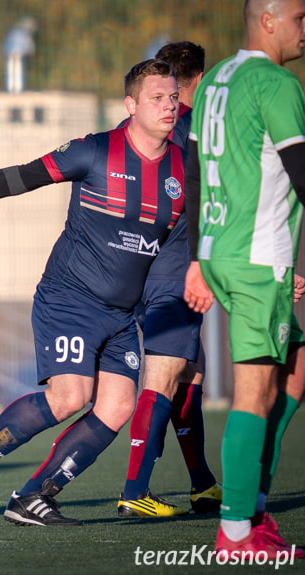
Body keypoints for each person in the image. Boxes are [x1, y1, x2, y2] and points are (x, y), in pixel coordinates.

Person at [0, 59, 183, 526]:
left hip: (123, 313)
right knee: (71, 397)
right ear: (130, 105)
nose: (168, 105)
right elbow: (19, 177)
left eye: (173, 97)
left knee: (118, 406)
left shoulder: (181, 168)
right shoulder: (95, 151)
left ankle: (34, 496)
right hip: (71, 298)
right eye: (156, 97)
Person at [183, 0, 305, 558]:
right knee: (253, 392)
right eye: (301, 17)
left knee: (295, 373)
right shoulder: (275, 82)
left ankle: (250, 505)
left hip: (220, 252)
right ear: (270, 19)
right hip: (258, 260)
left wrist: (194, 256)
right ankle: (237, 532)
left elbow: (192, 170)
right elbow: (302, 172)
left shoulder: (214, 82)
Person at [116, 41, 223, 518]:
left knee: (190, 369)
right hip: (177, 265)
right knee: (165, 373)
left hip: (142, 264)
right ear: (195, 82)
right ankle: (135, 488)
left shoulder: (136, 128)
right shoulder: (188, 127)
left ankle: (201, 482)